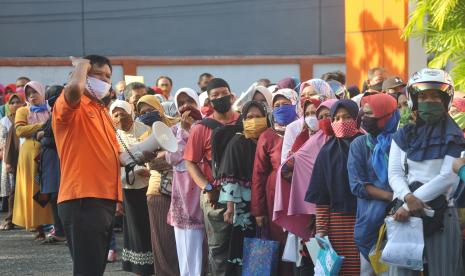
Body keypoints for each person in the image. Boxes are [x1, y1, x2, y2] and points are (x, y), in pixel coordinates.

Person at [389, 68, 465, 275]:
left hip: (441, 214)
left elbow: (448, 177)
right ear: (414, 99)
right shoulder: (404, 134)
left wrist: (409, 203)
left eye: (434, 96)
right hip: (405, 215)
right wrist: (406, 198)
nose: (428, 101)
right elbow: (395, 172)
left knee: (444, 271)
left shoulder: (455, 136)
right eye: (422, 96)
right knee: (403, 271)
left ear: (445, 100)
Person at [53, 55, 122, 275]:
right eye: (97, 74)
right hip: (83, 199)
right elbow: (74, 89)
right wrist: (82, 65)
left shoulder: (101, 110)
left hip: (104, 199)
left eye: (108, 76)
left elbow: (114, 154)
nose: (104, 80)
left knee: (94, 269)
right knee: (88, 270)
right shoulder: (72, 104)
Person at [184, 78, 240, 276]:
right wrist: (207, 188)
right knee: (219, 252)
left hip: (246, 194)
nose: (220, 98)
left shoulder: (245, 121)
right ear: (208, 102)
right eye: (214, 96)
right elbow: (190, 162)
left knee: (246, 247)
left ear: (232, 95)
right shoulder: (201, 128)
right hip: (215, 195)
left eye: (223, 93)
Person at [305, 99, 362, 275]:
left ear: (357, 119)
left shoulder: (366, 146)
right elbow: (321, 196)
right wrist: (321, 230)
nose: (341, 122)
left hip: (364, 219)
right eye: (336, 118)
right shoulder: (326, 153)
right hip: (337, 225)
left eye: (346, 117)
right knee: (339, 269)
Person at [347, 93, 399, 275]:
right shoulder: (359, 145)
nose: (364, 118)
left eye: (370, 114)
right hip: (370, 223)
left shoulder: (402, 142)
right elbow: (357, 185)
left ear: (387, 117)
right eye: (364, 112)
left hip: (400, 221)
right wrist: (392, 197)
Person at [251, 88, 299, 275]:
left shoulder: (305, 130)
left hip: (300, 197)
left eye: (285, 105)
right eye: (276, 105)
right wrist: (258, 211)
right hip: (275, 200)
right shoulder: (268, 136)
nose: (280, 109)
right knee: (280, 245)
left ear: (296, 105)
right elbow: (258, 175)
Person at [273, 99, 336, 239]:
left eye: (328, 115)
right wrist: (304, 186)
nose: (320, 120)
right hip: (318, 207)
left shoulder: (354, 140)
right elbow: (285, 169)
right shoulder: (307, 140)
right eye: (309, 114)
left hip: (346, 207)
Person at [218, 101, 268, 274]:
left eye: (258, 117)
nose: (254, 121)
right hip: (244, 205)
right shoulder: (238, 142)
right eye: (249, 117)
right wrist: (230, 207)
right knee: (244, 245)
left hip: (268, 201)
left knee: (266, 244)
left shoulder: (270, 138)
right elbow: (230, 176)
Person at [110, 100, 154, 275]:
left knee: (150, 225)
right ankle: (139, 267)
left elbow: (156, 151)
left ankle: (155, 264)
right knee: (135, 227)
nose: (120, 118)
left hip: (149, 185)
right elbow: (112, 163)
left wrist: (149, 168)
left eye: (124, 113)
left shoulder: (145, 130)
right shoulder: (111, 135)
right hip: (126, 187)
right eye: (116, 115)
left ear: (132, 113)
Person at [136, 95, 179, 276]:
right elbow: (152, 165)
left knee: (185, 238)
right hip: (158, 190)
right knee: (162, 239)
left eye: (151, 110)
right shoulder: (145, 135)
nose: (147, 115)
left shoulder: (177, 126)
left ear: (159, 109)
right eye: (143, 113)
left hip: (183, 189)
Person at [166, 88, 205, 276]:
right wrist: (184, 132)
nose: (185, 106)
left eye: (189, 100)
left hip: (203, 190)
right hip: (182, 193)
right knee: (185, 243)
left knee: (204, 246)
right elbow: (172, 158)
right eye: (180, 103)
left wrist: (192, 132)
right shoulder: (175, 129)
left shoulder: (208, 125)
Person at [12, 81, 53, 239]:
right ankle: (37, 225)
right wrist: (42, 125)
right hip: (30, 156)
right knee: (33, 188)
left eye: (35, 92)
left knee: (48, 187)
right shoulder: (23, 110)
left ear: (42, 93)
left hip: (49, 153)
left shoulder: (50, 109)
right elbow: (20, 130)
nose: (32, 96)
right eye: (28, 94)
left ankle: (52, 223)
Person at [37, 85, 66, 244]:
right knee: (53, 197)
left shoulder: (64, 113)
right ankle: (60, 230)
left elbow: (59, 140)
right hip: (50, 161)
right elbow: (40, 131)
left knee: (60, 196)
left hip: (59, 160)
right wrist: (40, 135)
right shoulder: (53, 113)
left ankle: (65, 231)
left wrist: (43, 138)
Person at [281, 79, 334, 163]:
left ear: (325, 95)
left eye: (312, 94)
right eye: (302, 95)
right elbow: (285, 162)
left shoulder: (336, 123)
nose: (306, 98)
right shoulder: (294, 127)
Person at [0, 93, 25, 230]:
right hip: (10, 157)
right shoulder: (5, 121)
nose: (15, 105)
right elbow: (2, 141)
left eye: (18, 102)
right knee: (13, 191)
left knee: (27, 189)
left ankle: (26, 219)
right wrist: (7, 159)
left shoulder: (27, 116)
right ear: (8, 105)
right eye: (13, 102)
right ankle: (10, 219)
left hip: (26, 156)